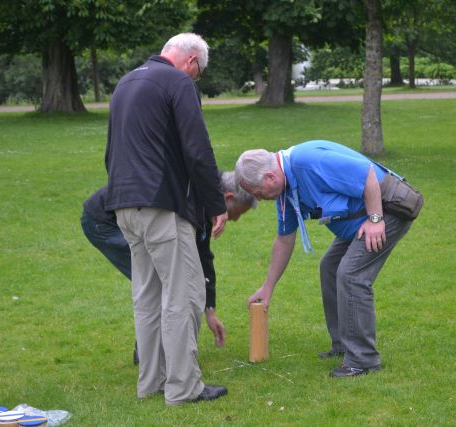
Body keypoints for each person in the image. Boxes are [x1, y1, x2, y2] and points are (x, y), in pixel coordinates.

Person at [104, 32, 228, 405]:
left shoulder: (126, 82)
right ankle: (184, 387)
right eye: (198, 74)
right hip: (161, 205)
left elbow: (111, 150)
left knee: (147, 297)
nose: (195, 81)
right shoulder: (178, 82)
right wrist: (216, 203)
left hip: (123, 204)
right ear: (192, 62)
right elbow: (198, 148)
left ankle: (151, 383)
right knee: (184, 294)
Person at [235, 140, 417, 378]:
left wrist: (375, 220)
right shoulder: (285, 191)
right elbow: (284, 239)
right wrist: (268, 287)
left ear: (270, 177)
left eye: (258, 192)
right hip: (360, 219)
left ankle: (363, 360)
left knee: (351, 274)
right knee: (330, 266)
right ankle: (343, 344)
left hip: (388, 209)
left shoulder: (307, 161)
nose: (260, 198)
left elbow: (367, 175)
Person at [81, 171, 257, 362]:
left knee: (166, 279)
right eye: (238, 213)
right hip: (105, 221)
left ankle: (151, 353)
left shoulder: (205, 197)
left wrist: (210, 310)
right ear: (228, 198)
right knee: (160, 280)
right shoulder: (195, 190)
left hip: (131, 217)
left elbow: (203, 255)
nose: (236, 219)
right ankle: (151, 354)